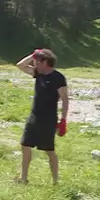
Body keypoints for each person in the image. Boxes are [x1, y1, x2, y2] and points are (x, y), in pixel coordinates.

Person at [15, 48, 68, 185]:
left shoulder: (58, 78)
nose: (34, 64)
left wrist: (63, 120)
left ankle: (56, 181)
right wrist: (33, 55)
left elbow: (65, 99)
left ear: (45, 62)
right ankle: (24, 178)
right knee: (25, 146)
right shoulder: (38, 74)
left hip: (48, 120)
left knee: (49, 150)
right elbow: (20, 65)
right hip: (34, 117)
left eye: (37, 62)